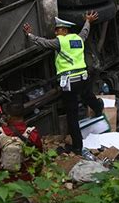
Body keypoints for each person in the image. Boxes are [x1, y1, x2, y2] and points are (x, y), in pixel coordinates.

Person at [23, 12, 104, 155]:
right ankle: (98, 107)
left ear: (64, 30)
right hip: (83, 77)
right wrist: (88, 21)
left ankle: (77, 147)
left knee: (72, 116)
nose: (55, 32)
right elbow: (85, 31)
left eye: (57, 29)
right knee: (88, 96)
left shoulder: (60, 41)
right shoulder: (78, 39)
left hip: (70, 82)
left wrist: (30, 35)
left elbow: (43, 42)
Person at [0, 103, 43, 182]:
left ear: (9, 116)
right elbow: (39, 155)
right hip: (25, 178)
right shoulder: (32, 133)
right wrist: (36, 173)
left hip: (4, 178)